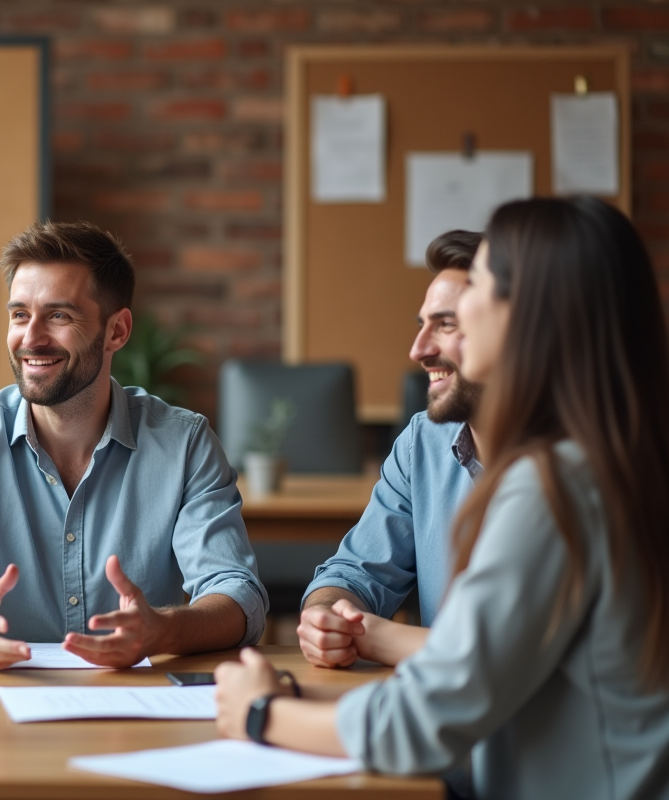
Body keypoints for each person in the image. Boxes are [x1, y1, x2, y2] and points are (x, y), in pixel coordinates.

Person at [215, 197, 669, 799]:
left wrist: (261, 712)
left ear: (533, 315)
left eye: (477, 286)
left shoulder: (554, 487)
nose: (423, 345)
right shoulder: (606, 461)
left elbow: (425, 723)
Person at [0, 221, 268, 669]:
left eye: (58, 315)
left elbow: (238, 594)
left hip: (139, 703)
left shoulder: (184, 443)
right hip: (1, 701)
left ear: (117, 331)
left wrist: (163, 630)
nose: (31, 338)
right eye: (20, 315)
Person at [296, 230, 484, 669]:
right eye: (422, 324)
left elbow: (510, 653)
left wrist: (379, 638)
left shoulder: (578, 464)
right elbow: (357, 572)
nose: (418, 350)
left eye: (447, 323)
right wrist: (327, 614)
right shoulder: (423, 442)